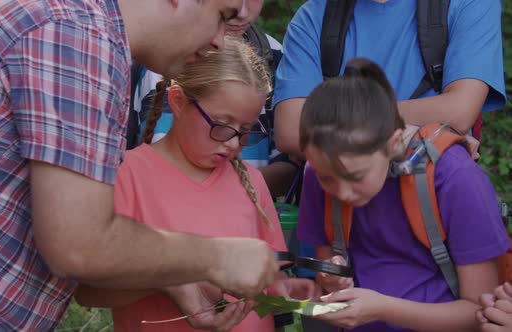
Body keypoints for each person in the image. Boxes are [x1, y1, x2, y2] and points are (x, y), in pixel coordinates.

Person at [0, 0, 284, 330]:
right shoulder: (77, 38)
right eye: (221, 17)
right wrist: (216, 256)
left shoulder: (62, 21)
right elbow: (78, 244)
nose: (220, 41)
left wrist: (174, 278)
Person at [75, 37, 321, 332]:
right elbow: (89, 291)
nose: (233, 143)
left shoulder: (253, 181)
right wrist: (171, 280)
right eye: (220, 125)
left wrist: (290, 291)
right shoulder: (128, 176)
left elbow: (271, 276)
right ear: (178, 101)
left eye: (245, 131)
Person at [296, 58, 510, 332]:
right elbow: (326, 275)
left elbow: (481, 311)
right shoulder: (318, 173)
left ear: (394, 141)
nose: (342, 192)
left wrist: (382, 310)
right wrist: (332, 279)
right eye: (328, 178)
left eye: (356, 176)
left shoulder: (455, 179)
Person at [273, 0, 507, 160]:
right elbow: (292, 131)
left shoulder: (467, 4)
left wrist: (332, 123)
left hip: (433, 212)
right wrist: (421, 136)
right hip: (336, 216)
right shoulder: (314, 17)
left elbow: (459, 111)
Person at [129, 0, 301, 198]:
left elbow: (289, 163)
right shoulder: (168, 56)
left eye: (247, 130)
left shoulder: (274, 53)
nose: (242, 12)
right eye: (220, 125)